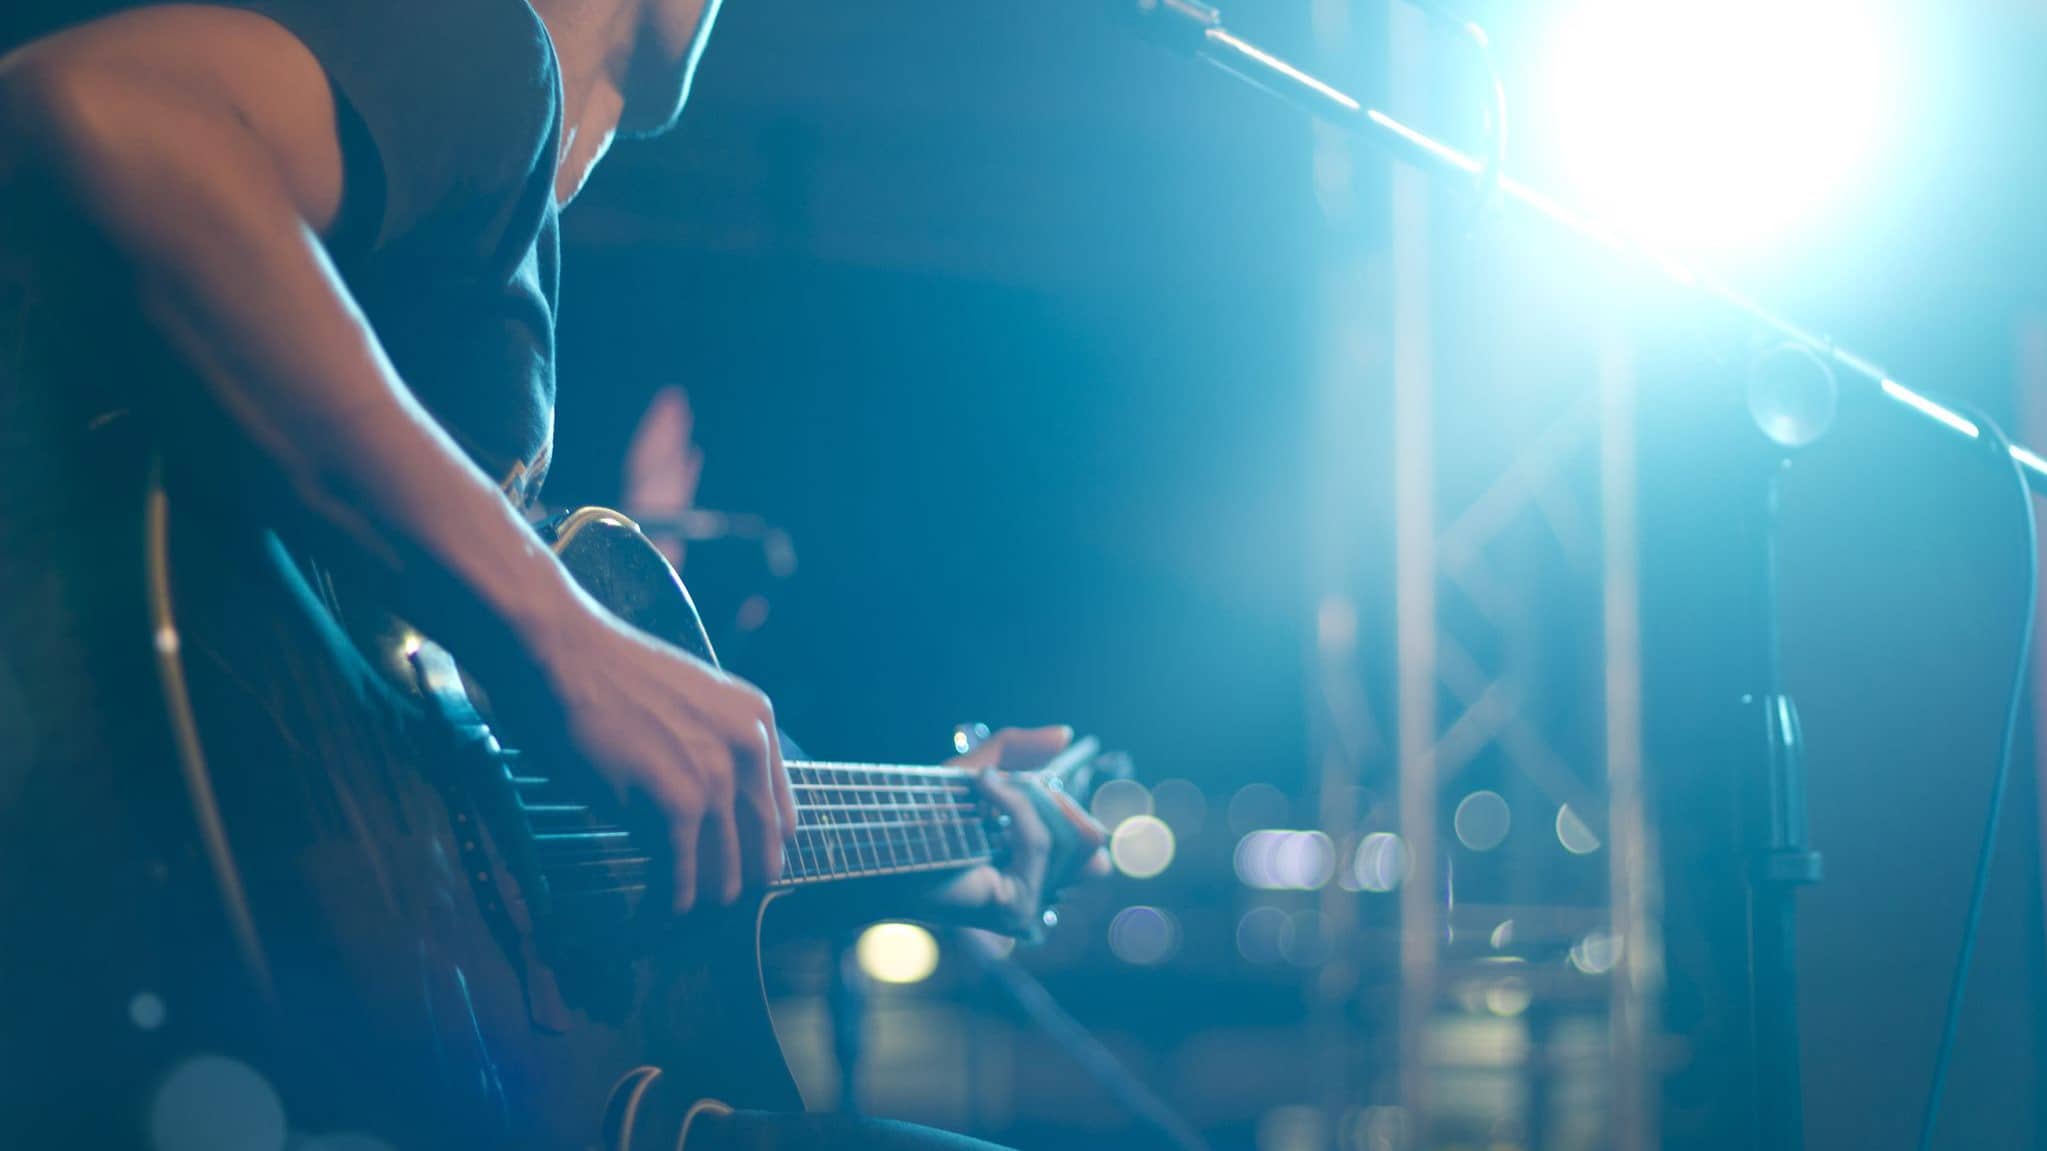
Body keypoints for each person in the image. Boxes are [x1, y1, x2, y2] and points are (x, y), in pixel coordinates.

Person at [0, 0, 1107, 1146]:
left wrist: (933, 840)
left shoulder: (492, 218)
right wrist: (564, 639)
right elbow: (98, 111)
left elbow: (495, 816)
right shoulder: (485, 49)